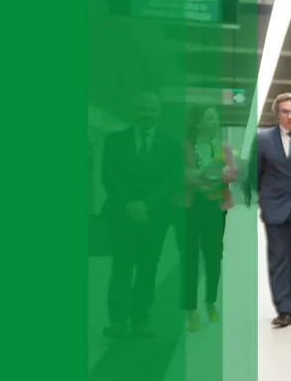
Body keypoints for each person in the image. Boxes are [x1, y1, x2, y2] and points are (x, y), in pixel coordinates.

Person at [101, 91, 179, 339]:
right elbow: (108, 176)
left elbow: (172, 180)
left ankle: (141, 318)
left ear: (159, 112)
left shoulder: (171, 143)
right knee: (121, 267)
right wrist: (130, 204)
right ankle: (118, 321)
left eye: (152, 110)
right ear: (134, 111)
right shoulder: (114, 141)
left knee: (147, 269)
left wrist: (146, 204)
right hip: (122, 215)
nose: (147, 114)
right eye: (143, 110)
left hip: (154, 217)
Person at [256, 93, 291, 329]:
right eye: (285, 112)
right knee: (278, 258)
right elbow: (255, 174)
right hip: (275, 207)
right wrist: (264, 199)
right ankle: (283, 309)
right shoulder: (262, 139)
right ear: (277, 114)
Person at [183, 105, 237, 332]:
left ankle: (210, 302)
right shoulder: (184, 147)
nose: (214, 123)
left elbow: (232, 171)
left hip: (216, 207)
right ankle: (191, 309)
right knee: (190, 257)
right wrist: (207, 175)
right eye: (209, 118)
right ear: (198, 123)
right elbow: (180, 174)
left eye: (216, 119)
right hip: (190, 206)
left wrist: (212, 174)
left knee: (214, 256)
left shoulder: (222, 147)